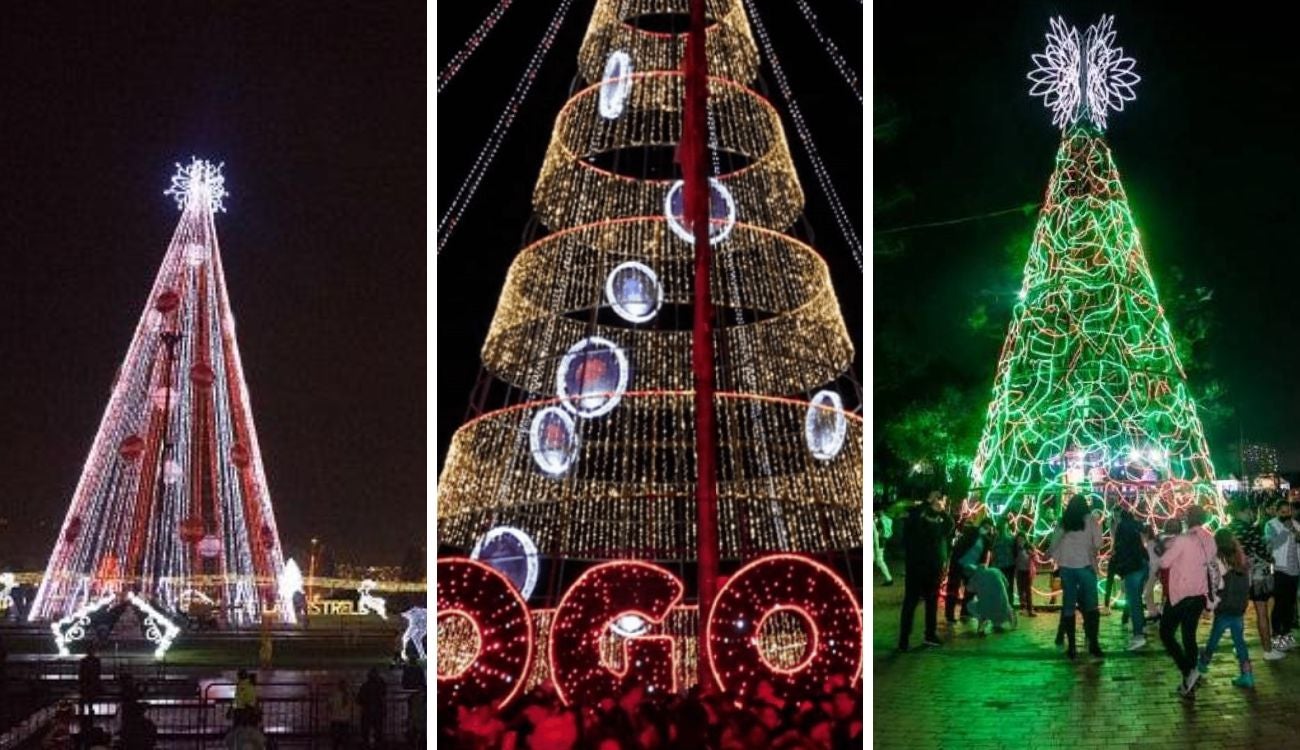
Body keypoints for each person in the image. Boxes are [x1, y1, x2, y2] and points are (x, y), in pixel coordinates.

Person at [1159, 506, 1219, 697]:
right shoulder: (1209, 538)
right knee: (1189, 635)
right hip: (1200, 594)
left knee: (1166, 633)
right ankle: (1189, 683)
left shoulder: (1182, 540)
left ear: (1187, 519)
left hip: (1181, 594)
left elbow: (1164, 563)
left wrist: (1167, 547)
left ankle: (1188, 671)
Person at [1048, 495, 1104, 660]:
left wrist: (1049, 552)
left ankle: (1072, 647)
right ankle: (1094, 644)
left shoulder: (1063, 521)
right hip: (1085, 566)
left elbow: (1054, 542)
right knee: (1092, 606)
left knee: (1068, 606)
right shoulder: (1092, 520)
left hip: (1067, 567)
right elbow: (1098, 544)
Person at [1197, 528, 1254, 688]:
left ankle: (1202, 665)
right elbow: (1248, 584)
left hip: (1224, 608)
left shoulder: (1218, 561)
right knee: (1239, 642)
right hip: (1239, 607)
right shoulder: (1242, 560)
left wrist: (1208, 604)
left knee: (1213, 640)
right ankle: (1247, 674)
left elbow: (1215, 584)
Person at [897, 492, 954, 651]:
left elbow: (950, 526)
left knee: (932, 602)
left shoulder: (938, 519)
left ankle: (930, 635)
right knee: (910, 602)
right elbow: (912, 522)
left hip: (933, 569)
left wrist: (942, 510)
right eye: (936, 497)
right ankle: (904, 639)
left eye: (939, 498)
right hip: (916, 567)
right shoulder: (916, 514)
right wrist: (927, 502)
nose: (939, 500)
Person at [1230, 501, 1283, 660]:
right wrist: (1271, 557)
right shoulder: (1250, 529)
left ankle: (1238, 646)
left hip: (1236, 576)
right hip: (1257, 576)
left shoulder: (1227, 529)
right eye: (1251, 512)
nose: (1252, 515)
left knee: (1237, 613)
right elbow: (1261, 551)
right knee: (1261, 611)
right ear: (1244, 510)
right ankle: (1268, 650)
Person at [1110, 505, 1150, 650]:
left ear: (1119, 516)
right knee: (1137, 600)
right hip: (1144, 564)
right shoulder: (1135, 524)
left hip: (1132, 567)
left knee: (1134, 602)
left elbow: (1119, 547)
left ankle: (1138, 636)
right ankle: (1142, 627)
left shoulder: (1121, 526)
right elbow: (1147, 531)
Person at [1264, 497, 1300, 652]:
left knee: (1290, 605)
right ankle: (1277, 636)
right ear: (1277, 512)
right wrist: (1286, 530)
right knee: (1279, 604)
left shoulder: (1296, 524)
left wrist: (1295, 533)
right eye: (1283, 512)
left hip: (1294, 570)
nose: (1286, 514)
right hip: (1279, 569)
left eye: (1288, 511)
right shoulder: (1270, 525)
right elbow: (1272, 546)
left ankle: (1286, 634)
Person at [967, 552, 1016, 634]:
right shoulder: (996, 570)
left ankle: (982, 618)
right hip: (1003, 609)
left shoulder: (975, 576)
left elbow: (969, 589)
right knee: (1004, 604)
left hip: (987, 611)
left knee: (969, 605)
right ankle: (1009, 618)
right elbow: (1007, 584)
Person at [358, 667, 387, 748]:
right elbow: (383, 695)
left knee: (366, 731)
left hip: (367, 711)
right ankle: (377, 744)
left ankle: (367, 744)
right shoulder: (380, 685)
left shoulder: (365, 686)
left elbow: (359, 699)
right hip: (377, 711)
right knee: (378, 731)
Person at [991, 519, 1017, 606]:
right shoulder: (1009, 538)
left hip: (1000, 565)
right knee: (1008, 585)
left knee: (1001, 585)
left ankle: (1002, 604)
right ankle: (1009, 604)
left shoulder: (995, 538)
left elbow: (993, 552)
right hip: (1009, 564)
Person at [1013, 532, 1036, 616]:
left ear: (1025, 539)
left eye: (1022, 539)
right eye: (1018, 540)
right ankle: (1023, 608)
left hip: (1027, 571)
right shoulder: (1015, 549)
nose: (1020, 541)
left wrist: (1031, 554)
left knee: (1028, 591)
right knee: (1020, 591)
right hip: (1019, 572)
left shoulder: (1029, 547)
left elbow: (1035, 557)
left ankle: (1030, 609)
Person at [328, 678, 354, 749]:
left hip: (335, 719)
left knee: (335, 741)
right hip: (345, 720)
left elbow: (329, 706)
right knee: (345, 741)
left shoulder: (334, 694)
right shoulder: (349, 695)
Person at [77, 646, 101, 718]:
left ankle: (83, 709)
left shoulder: (84, 661)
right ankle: (89, 708)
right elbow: (98, 671)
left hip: (87, 681)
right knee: (90, 695)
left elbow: (81, 671)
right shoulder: (96, 660)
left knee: (85, 695)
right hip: (91, 681)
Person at [872, 510, 894, 586]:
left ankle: (889, 579)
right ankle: (889, 579)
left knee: (879, 561)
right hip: (880, 542)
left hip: (878, 543)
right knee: (879, 561)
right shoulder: (886, 519)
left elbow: (876, 534)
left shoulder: (877, 521)